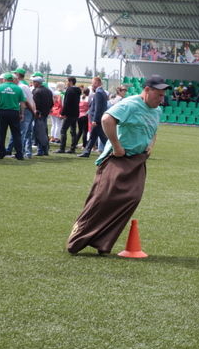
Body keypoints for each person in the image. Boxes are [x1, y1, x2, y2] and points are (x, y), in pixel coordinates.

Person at [67, 76, 170, 255]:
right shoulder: (130, 104)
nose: (161, 99)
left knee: (132, 198)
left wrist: (150, 146)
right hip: (117, 159)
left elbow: (154, 131)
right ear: (146, 90)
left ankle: (102, 242)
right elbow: (107, 119)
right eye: (158, 95)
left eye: (163, 96)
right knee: (103, 198)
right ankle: (77, 239)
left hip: (137, 160)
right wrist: (116, 146)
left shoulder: (157, 110)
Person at [0, 73, 31, 160]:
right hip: (14, 112)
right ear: (12, 80)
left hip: (2, 112)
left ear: (4, 79)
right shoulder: (18, 88)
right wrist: (22, 113)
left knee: (1, 134)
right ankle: (19, 154)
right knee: (16, 134)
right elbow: (22, 103)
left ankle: (0, 153)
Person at [79, 77, 109, 158]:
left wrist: (95, 120)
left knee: (102, 137)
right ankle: (87, 152)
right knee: (93, 136)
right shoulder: (102, 92)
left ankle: (112, 150)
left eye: (93, 83)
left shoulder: (99, 93)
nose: (92, 84)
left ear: (97, 83)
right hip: (98, 119)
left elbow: (98, 108)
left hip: (97, 120)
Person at [58, 77, 81, 153]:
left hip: (69, 114)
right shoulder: (78, 90)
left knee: (63, 130)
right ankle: (72, 148)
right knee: (73, 131)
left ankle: (62, 148)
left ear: (71, 82)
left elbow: (67, 103)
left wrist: (62, 113)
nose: (66, 82)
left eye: (67, 81)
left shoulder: (70, 90)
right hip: (75, 113)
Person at [31, 76, 53, 156]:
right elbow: (51, 103)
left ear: (37, 83)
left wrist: (36, 112)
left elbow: (35, 104)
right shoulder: (49, 91)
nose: (33, 83)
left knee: (39, 132)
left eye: (34, 82)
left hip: (38, 114)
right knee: (44, 132)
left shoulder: (36, 91)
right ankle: (45, 150)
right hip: (45, 114)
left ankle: (40, 151)